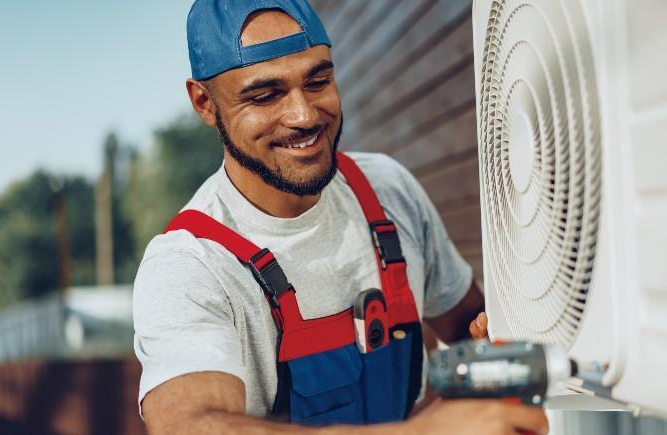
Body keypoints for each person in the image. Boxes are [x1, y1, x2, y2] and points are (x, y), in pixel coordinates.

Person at [133, 1, 549, 434]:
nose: (304, 116)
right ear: (204, 103)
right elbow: (189, 425)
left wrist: (488, 350)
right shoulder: (190, 264)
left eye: (318, 81)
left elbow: (472, 327)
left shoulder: (388, 191)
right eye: (266, 95)